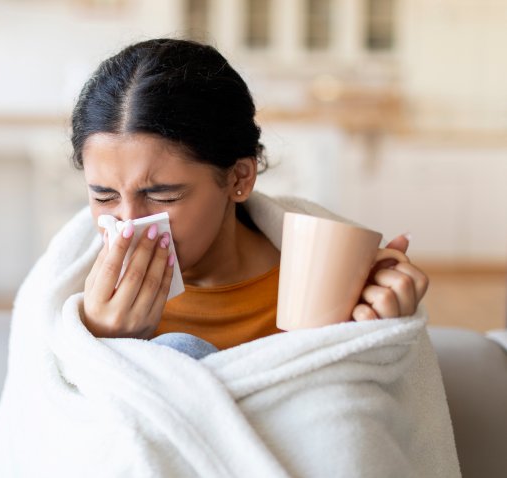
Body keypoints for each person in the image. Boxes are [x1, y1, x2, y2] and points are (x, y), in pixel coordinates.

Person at [70, 38, 429, 359]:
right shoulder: (74, 292)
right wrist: (100, 344)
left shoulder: (321, 285)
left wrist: (379, 338)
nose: (128, 224)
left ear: (239, 178)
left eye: (163, 195)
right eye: (104, 196)